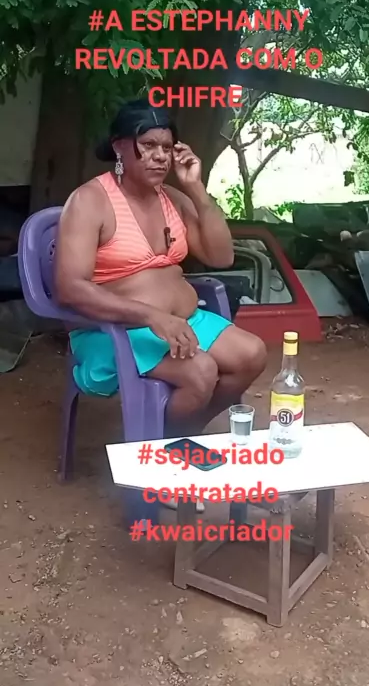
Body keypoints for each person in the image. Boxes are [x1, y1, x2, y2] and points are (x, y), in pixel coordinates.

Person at [55, 98, 268, 441]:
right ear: (119, 147)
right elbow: (69, 287)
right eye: (148, 145)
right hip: (114, 331)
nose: (160, 156)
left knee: (251, 354)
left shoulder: (172, 198)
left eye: (167, 147)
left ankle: (177, 434)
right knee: (200, 371)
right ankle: (166, 448)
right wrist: (152, 316)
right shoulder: (89, 201)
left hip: (181, 324)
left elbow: (221, 256)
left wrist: (196, 189)